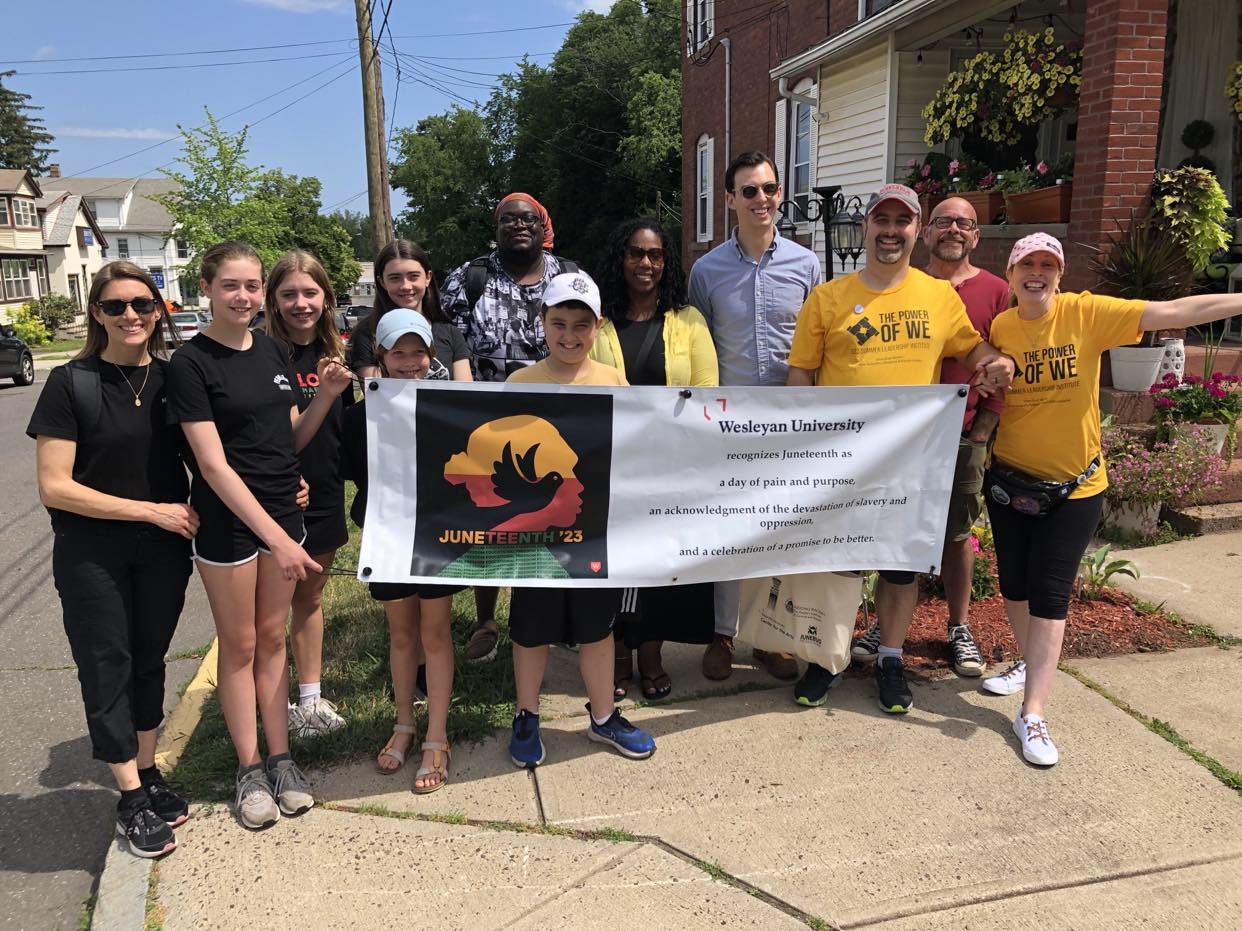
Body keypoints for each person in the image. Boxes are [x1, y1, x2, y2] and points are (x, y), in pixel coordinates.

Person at [981, 232, 1242, 765]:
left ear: (1060, 274)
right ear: (1011, 275)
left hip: (1076, 487)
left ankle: (1033, 715)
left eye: (1047, 265)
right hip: (1010, 482)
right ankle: (1028, 663)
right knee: (1014, 584)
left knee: (1051, 594)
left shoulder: (1087, 313)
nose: (1037, 273)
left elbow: (1173, 309)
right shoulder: (1003, 327)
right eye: (1026, 264)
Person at [786, 183, 1014, 711]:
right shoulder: (828, 298)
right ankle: (829, 658)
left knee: (898, 567)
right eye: (881, 221)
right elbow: (800, 375)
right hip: (841, 460)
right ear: (866, 227)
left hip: (911, 460)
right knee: (840, 566)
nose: (891, 231)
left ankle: (891, 657)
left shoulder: (938, 297)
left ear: (917, 231)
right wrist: (799, 443)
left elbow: (973, 348)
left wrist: (998, 362)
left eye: (902, 222)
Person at [167, 241, 352, 830]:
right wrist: (275, 536)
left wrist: (322, 396)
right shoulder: (190, 363)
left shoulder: (272, 349)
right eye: (231, 286)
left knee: (274, 642)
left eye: (251, 286)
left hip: (282, 519)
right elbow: (214, 466)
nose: (243, 297)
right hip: (230, 525)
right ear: (207, 288)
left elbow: (285, 441)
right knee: (241, 645)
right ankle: (248, 768)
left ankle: (282, 759)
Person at [28, 261, 195, 859]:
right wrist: (150, 510)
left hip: (164, 552)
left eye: (143, 305)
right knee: (107, 665)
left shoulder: (177, 380)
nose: (131, 316)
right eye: (116, 305)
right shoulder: (71, 382)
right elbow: (55, 486)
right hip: (91, 551)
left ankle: (147, 772)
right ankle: (129, 797)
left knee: (148, 659)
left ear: (160, 311)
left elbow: (216, 453)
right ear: (96, 313)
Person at [851, 197, 1008, 677]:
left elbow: (1001, 357)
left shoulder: (996, 291)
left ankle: (958, 627)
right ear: (927, 232)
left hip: (959, 435)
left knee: (955, 535)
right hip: (896, 441)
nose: (953, 230)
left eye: (964, 223)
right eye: (943, 221)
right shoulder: (908, 286)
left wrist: (985, 425)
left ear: (976, 236)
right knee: (894, 533)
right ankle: (888, 626)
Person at [505, 271, 656, 766]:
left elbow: (632, 450)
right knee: (531, 630)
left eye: (581, 325)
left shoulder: (614, 381)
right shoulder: (519, 383)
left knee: (596, 629)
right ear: (542, 324)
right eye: (559, 323)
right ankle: (527, 715)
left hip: (593, 531)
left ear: (598, 328)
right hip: (535, 534)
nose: (569, 336)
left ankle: (604, 716)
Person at [687, 150, 821, 684]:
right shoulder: (707, 270)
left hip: (790, 419)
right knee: (727, 529)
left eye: (769, 189)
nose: (761, 200)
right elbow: (698, 344)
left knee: (780, 531)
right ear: (729, 201)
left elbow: (817, 343)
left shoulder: (806, 264)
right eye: (749, 191)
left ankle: (770, 637)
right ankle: (722, 632)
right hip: (730, 420)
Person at [441, 194, 579, 665]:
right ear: (495, 228)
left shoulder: (570, 277)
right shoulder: (468, 279)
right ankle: (486, 619)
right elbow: (450, 344)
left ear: (544, 226)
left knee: (558, 516)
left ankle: (554, 616)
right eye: (508, 219)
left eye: (528, 219)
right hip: (489, 423)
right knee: (491, 521)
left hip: (557, 420)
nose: (518, 226)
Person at [591, 217, 719, 699]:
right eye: (635, 253)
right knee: (617, 562)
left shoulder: (688, 321)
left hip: (671, 464)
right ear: (619, 259)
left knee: (662, 563)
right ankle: (619, 654)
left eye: (655, 255)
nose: (645, 263)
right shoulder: (598, 320)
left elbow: (707, 392)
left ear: (667, 263)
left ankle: (651, 654)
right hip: (611, 463)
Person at [341, 310, 461, 791]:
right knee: (401, 636)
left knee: (435, 633)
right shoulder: (359, 414)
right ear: (381, 357)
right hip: (388, 537)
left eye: (418, 351)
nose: (409, 362)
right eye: (399, 352)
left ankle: (437, 734)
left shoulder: (454, 407)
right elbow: (354, 476)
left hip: (438, 535)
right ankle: (404, 723)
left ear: (432, 355)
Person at [265, 250, 352, 737]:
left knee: (311, 598)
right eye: (289, 294)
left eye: (310, 293)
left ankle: (311, 700)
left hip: (325, 493)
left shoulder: (337, 355)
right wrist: (325, 393)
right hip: (279, 498)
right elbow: (289, 438)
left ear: (326, 297)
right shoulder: (264, 356)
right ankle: (271, 704)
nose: (301, 303)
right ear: (274, 302)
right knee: (272, 611)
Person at [347, 239, 472, 382]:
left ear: (428, 277)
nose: (405, 286)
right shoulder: (366, 334)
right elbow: (377, 395)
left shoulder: (451, 333)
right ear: (382, 282)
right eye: (395, 278)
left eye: (413, 276)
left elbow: (465, 395)